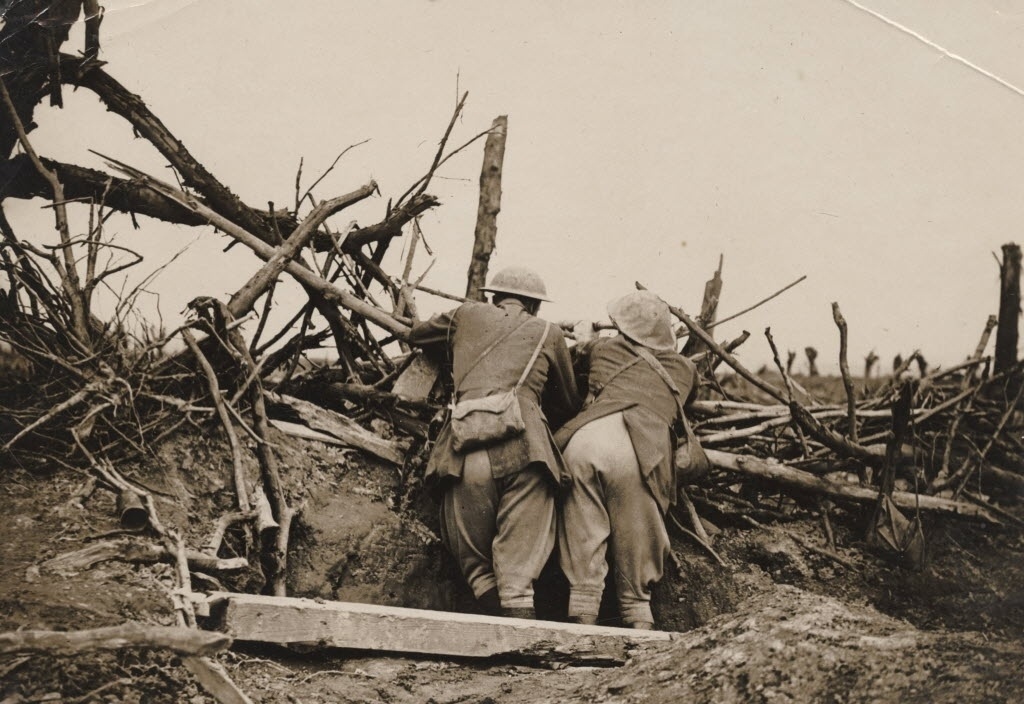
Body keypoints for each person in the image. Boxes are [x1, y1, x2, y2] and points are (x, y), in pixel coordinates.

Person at [408, 266, 580, 619]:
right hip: (527, 451)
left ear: (492, 296)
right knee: (518, 577)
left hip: (467, 447)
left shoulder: (466, 314)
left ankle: (491, 617)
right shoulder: (548, 331)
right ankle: (523, 643)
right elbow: (568, 400)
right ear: (534, 306)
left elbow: (417, 334)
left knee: (478, 571)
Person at [555, 290, 698, 629]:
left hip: (586, 440)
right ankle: (638, 623)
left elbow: (582, 352)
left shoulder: (603, 349)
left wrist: (587, 336)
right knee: (638, 540)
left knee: (583, 533)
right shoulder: (686, 369)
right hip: (640, 450)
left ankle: (582, 623)